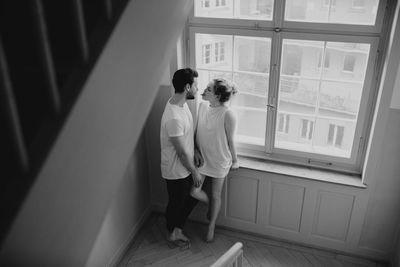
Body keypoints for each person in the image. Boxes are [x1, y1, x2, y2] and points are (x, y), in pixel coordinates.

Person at [191, 78, 239, 242]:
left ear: (218, 95)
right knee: (194, 191)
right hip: (203, 160)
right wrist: (195, 149)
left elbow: (230, 140)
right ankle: (211, 206)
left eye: (209, 89)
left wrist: (235, 160)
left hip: (219, 160)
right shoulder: (202, 105)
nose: (204, 91)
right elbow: (197, 131)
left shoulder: (228, 114)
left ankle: (211, 226)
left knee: (216, 194)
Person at [160, 68, 202, 247]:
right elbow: (181, 152)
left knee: (186, 198)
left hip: (185, 165)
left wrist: (197, 150)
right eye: (195, 86)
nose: (197, 89)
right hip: (176, 169)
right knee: (177, 202)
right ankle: (173, 232)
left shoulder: (181, 104)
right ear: (187, 87)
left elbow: (187, 135)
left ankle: (175, 228)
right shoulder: (174, 118)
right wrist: (195, 172)